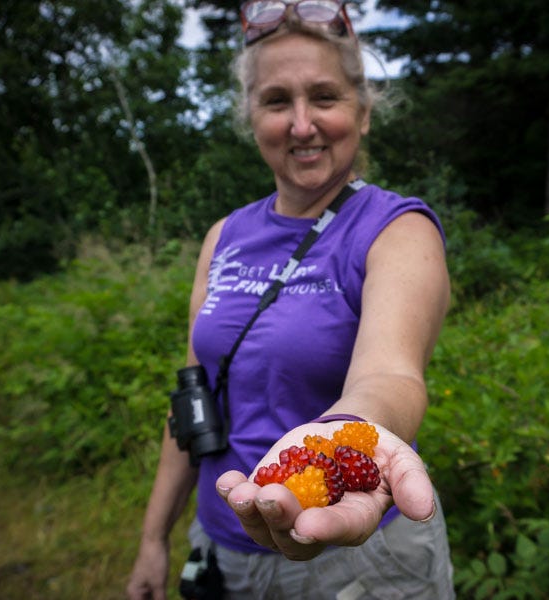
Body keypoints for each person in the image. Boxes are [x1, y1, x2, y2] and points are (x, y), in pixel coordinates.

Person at [126, 1, 453, 598]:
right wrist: (154, 538)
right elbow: (195, 399)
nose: (302, 125)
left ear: (364, 111)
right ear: (251, 116)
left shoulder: (397, 230)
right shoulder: (223, 237)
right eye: (278, 101)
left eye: (324, 97)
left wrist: (352, 434)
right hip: (223, 541)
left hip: (362, 563)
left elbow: (391, 370)